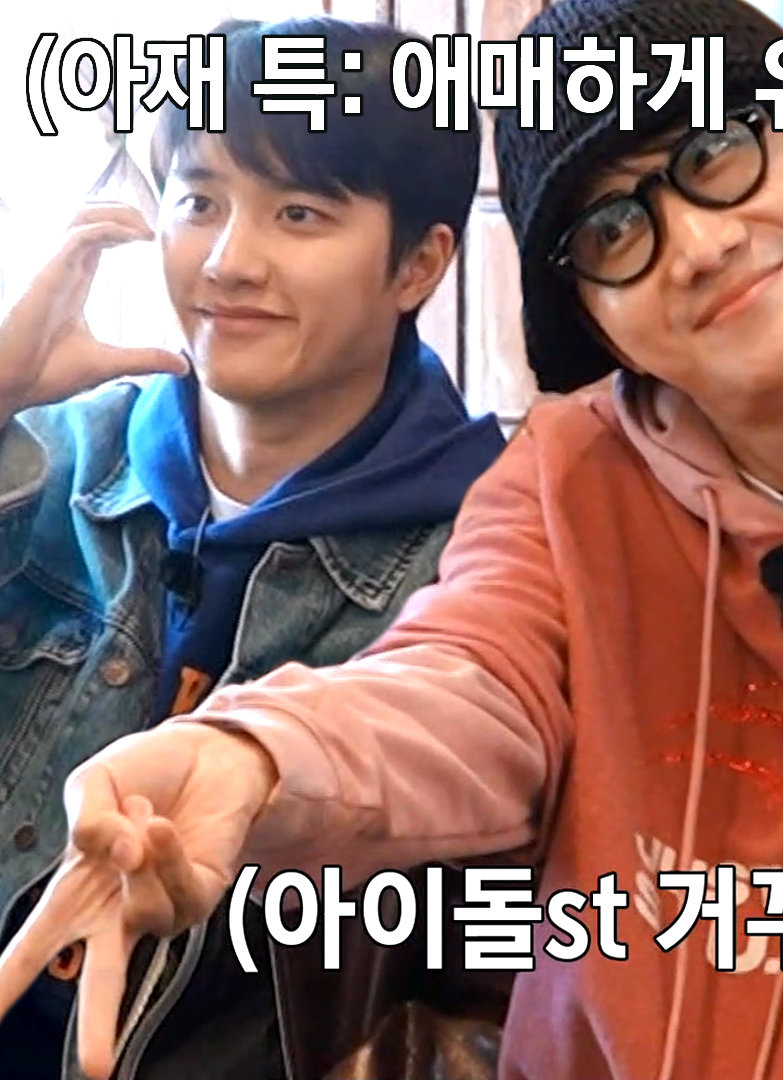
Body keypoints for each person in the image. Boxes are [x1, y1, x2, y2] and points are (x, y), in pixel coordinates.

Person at [0, 1, 783, 1078]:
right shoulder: (571, 467)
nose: (697, 244)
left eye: (718, 150)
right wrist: (258, 750)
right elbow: (471, 679)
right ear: (593, 316)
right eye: (613, 226)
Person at [0, 16, 507, 1080]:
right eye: (199, 202)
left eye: (299, 213)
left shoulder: (484, 552)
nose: (230, 261)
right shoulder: (50, 457)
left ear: (419, 264)